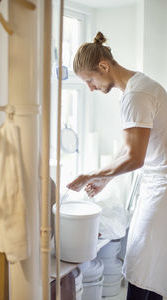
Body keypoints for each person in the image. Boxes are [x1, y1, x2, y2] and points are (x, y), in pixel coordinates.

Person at [67, 31, 167, 300]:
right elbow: (128, 148)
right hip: (156, 184)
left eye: (90, 80)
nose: (90, 88)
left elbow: (135, 157)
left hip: (162, 189)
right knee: (151, 266)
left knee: (140, 266)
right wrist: (105, 179)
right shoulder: (139, 86)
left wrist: (92, 174)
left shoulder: (136, 96)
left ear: (103, 66)